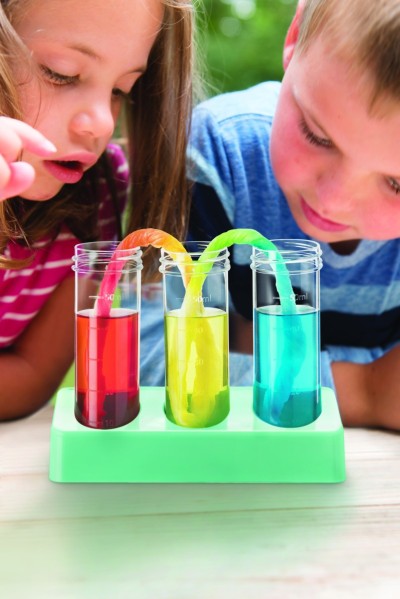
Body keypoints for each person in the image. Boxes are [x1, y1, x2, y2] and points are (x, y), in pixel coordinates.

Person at [186, 0, 400, 431]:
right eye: (317, 136)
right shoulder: (222, 154)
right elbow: (154, 363)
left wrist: (246, 354)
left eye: (396, 184)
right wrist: (368, 389)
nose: (333, 200)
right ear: (295, 36)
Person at [0, 0, 196, 420]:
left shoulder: (98, 192)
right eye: (61, 73)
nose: (104, 123)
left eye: (121, 90)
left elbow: (33, 376)